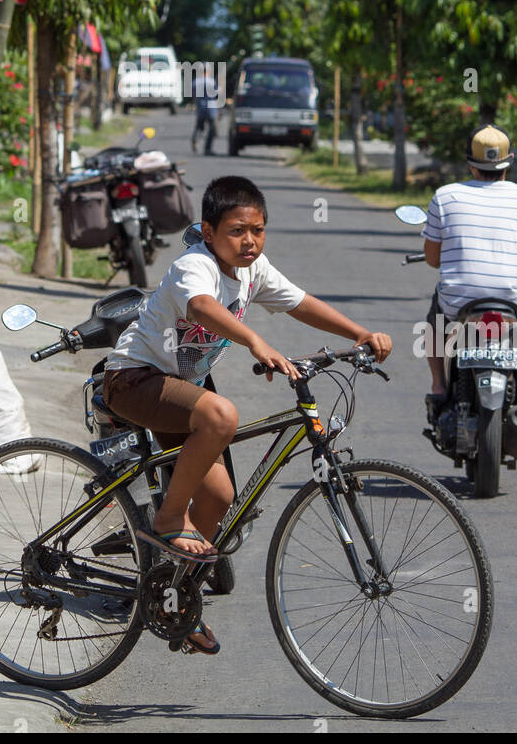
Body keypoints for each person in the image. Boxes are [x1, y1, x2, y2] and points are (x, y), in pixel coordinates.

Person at [102, 174, 392, 655]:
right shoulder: (193, 266)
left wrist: (359, 333)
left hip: (180, 388)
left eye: (258, 229)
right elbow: (201, 306)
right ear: (209, 231)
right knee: (222, 414)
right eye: (237, 230)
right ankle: (168, 516)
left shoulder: (253, 270)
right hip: (133, 379)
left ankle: (173, 602)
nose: (250, 240)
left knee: (219, 498)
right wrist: (254, 340)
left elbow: (299, 303)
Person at [420, 124, 517, 434]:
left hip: (459, 303)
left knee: (436, 318)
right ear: (509, 161)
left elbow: (432, 259)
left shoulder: (445, 197)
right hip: (514, 304)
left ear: (470, 162)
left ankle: (439, 385)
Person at [190, 67, 220, 155]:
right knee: (212, 129)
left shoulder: (195, 82)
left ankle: (195, 138)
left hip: (200, 108)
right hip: (211, 108)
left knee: (199, 127)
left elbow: (193, 95)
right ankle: (208, 149)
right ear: (208, 71)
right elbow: (217, 95)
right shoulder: (212, 81)